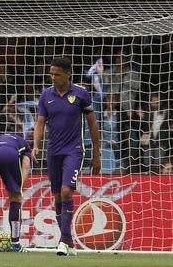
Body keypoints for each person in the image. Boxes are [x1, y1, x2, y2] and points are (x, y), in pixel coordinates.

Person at [32, 57, 101, 256]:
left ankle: (63, 241)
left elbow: (92, 125)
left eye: (57, 74)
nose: (53, 77)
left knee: (66, 191)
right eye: (51, 74)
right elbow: (40, 122)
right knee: (57, 195)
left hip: (74, 150)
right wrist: (36, 145)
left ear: (68, 74)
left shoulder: (81, 94)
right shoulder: (46, 95)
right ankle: (67, 240)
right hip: (53, 151)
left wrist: (96, 155)